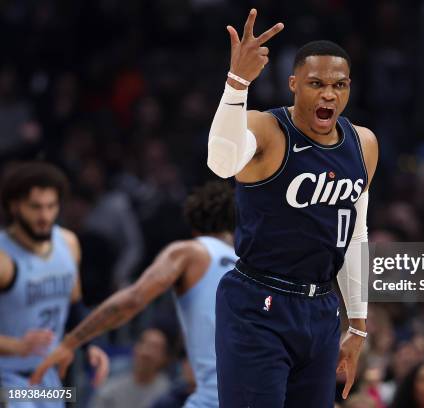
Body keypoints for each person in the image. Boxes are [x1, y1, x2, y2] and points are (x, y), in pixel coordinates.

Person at [207, 8, 378, 407]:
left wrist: (357, 323)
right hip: (258, 304)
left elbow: (355, 232)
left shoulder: (363, 143)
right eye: (316, 83)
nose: (329, 94)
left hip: (320, 309)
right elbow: (220, 162)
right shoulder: (267, 130)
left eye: (339, 85)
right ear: (293, 85)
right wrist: (237, 83)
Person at [30, 181, 238, 408]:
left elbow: (133, 299)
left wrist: (70, 343)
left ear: (194, 226)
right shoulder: (251, 267)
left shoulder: (191, 251)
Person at [0, 161, 108, 408]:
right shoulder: (4, 259)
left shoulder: (68, 243)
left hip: (49, 378)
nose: (45, 216)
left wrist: (89, 344)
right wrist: (16, 346)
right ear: (14, 206)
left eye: (51, 206)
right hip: (7, 381)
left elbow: (74, 306)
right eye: (35, 207)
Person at [90, 328, 171, 408]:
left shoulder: (168, 394)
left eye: (155, 348)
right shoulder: (109, 389)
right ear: (135, 349)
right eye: (144, 344)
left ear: (165, 358)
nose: (147, 353)